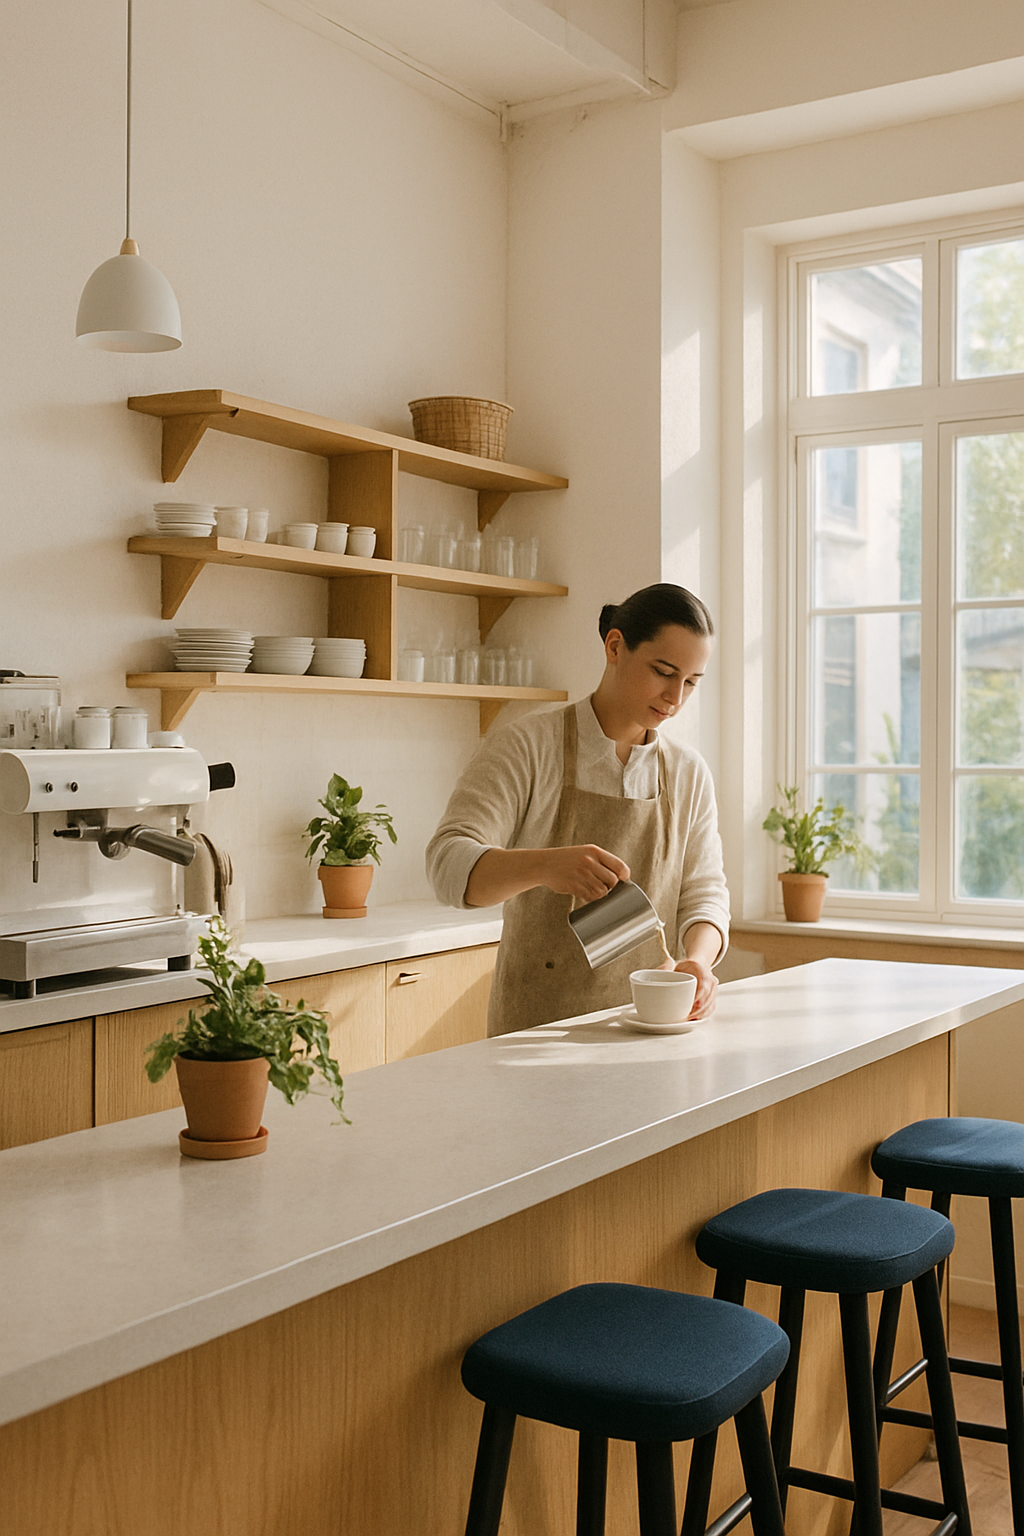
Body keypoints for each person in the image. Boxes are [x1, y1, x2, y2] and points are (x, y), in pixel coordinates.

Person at [425, 583, 729, 1035]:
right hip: (535, 1031)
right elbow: (447, 866)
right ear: (615, 646)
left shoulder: (688, 772)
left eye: (690, 682)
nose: (675, 697)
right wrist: (546, 865)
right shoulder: (528, 746)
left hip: (652, 1029)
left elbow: (705, 891)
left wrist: (698, 962)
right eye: (663, 671)